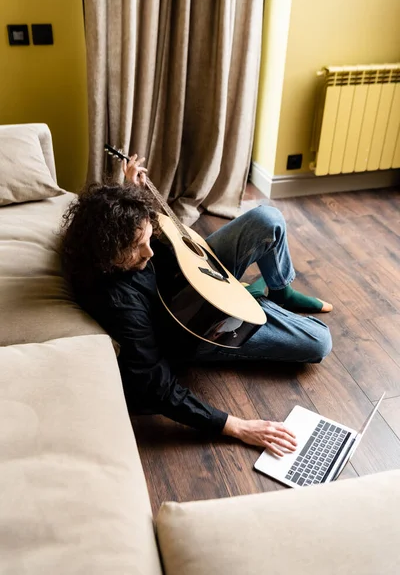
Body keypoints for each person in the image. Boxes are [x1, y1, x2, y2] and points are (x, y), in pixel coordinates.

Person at [61, 155, 332, 458]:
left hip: (189, 270)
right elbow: (157, 386)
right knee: (320, 342)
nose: (149, 251)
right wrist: (236, 426)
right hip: (194, 324)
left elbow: (134, 229)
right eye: (136, 248)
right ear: (108, 254)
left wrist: (130, 192)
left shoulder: (104, 231)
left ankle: (279, 292)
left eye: (147, 238)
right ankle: (251, 298)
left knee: (268, 220)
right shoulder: (120, 304)